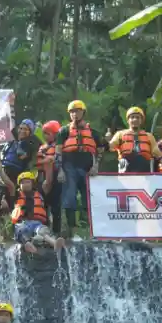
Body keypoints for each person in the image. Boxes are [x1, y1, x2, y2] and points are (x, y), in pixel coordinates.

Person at [55, 100, 104, 238]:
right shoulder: (63, 131)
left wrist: (96, 166)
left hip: (87, 168)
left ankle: (91, 230)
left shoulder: (93, 133)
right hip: (69, 167)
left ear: (83, 112)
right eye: (71, 112)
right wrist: (60, 170)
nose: (74, 114)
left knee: (88, 199)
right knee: (69, 198)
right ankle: (72, 231)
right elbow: (58, 152)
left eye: (77, 111)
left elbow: (100, 150)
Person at [11, 172, 65, 253]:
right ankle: (27, 244)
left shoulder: (40, 193)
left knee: (43, 231)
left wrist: (48, 166)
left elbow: (48, 182)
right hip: (22, 222)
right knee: (21, 231)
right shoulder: (16, 195)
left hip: (37, 223)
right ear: (19, 185)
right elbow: (9, 184)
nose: (25, 184)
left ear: (33, 183)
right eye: (22, 182)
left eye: (28, 182)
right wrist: (1, 171)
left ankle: (54, 243)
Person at [107, 107, 162, 173]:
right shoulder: (120, 134)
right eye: (132, 117)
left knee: (142, 160)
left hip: (144, 165)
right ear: (128, 120)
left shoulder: (149, 136)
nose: (135, 119)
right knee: (125, 161)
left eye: (138, 117)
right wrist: (107, 141)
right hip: (126, 164)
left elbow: (156, 152)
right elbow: (111, 146)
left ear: (141, 120)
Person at [35, 120, 61, 234]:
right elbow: (38, 163)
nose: (45, 136)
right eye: (44, 133)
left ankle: (56, 231)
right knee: (43, 204)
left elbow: (57, 161)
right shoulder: (42, 147)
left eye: (48, 133)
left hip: (55, 177)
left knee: (55, 205)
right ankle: (44, 230)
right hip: (41, 176)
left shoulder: (59, 147)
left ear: (55, 134)